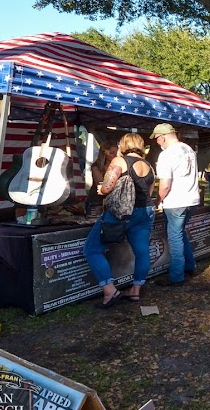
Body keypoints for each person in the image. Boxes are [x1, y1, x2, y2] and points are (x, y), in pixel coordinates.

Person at [84, 133, 155, 307]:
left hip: (122, 212)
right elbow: (150, 192)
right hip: (145, 211)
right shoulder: (149, 166)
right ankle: (136, 290)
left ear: (123, 145)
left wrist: (102, 190)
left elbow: (107, 187)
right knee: (142, 251)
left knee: (91, 249)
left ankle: (110, 290)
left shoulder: (119, 162)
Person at [152, 123, 200, 287]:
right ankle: (189, 265)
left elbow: (165, 184)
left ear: (163, 137)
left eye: (157, 139)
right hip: (191, 199)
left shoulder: (166, 154)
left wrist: (157, 201)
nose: (158, 143)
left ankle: (176, 276)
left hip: (176, 201)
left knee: (175, 238)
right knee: (179, 234)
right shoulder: (188, 149)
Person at [87, 141, 118, 215]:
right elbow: (100, 183)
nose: (115, 156)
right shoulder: (97, 166)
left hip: (112, 202)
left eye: (117, 153)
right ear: (105, 153)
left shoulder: (118, 166)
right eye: (112, 153)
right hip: (97, 202)